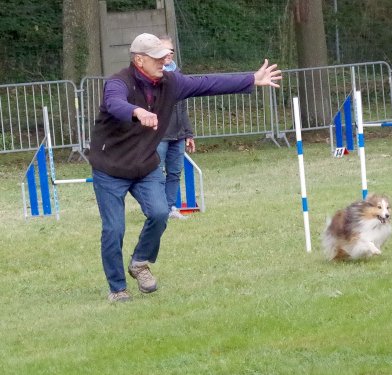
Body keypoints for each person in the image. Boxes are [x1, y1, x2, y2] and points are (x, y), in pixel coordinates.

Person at [89, 33, 282, 302]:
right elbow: (114, 103)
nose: (164, 61)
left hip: (144, 165)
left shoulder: (172, 83)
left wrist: (251, 79)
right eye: (157, 57)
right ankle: (118, 288)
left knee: (159, 213)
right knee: (114, 229)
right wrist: (137, 112)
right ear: (139, 60)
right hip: (109, 168)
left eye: (164, 55)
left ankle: (140, 262)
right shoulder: (118, 82)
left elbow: (208, 83)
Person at [156, 36, 194, 221]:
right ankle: (156, 209)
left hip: (178, 134)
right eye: (164, 50)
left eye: (171, 50)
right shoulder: (153, 76)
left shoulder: (178, 74)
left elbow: (183, 107)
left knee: (175, 172)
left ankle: (170, 208)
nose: (169, 53)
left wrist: (188, 133)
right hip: (159, 135)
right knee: (156, 173)